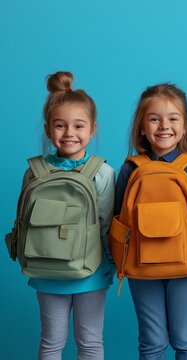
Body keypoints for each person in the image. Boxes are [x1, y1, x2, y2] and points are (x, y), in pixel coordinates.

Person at [13, 71, 116, 359]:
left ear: (92, 129)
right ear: (47, 129)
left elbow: (106, 223)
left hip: (87, 271)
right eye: (60, 125)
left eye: (78, 126)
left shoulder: (103, 172)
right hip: (56, 271)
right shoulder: (34, 171)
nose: (69, 133)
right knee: (62, 342)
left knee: (79, 342)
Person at [113, 83, 187, 360]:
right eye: (154, 118)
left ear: (185, 127)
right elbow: (119, 217)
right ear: (142, 127)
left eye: (173, 118)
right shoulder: (131, 167)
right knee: (151, 341)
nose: (163, 126)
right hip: (141, 266)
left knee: (185, 339)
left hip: (186, 268)